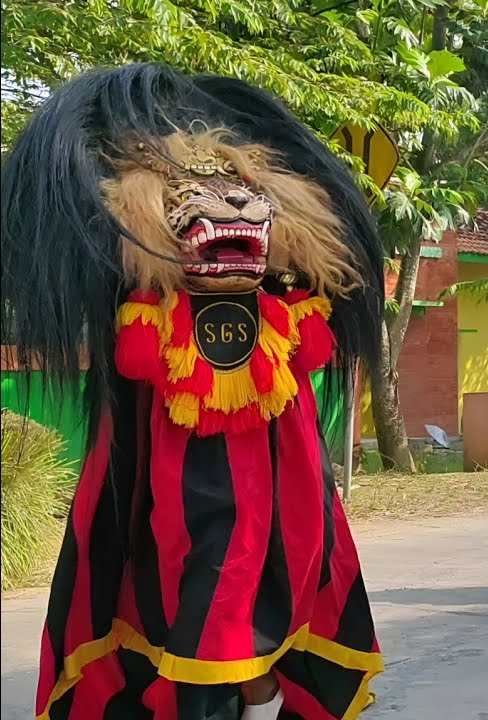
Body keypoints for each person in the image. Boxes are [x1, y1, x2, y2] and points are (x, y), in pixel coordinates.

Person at [3, 64, 385, 719]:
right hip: (178, 489)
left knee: (274, 592)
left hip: (276, 489)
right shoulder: (152, 308)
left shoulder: (281, 309)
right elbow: (135, 357)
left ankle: (253, 679)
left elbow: (315, 348)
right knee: (190, 602)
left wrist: (308, 292)